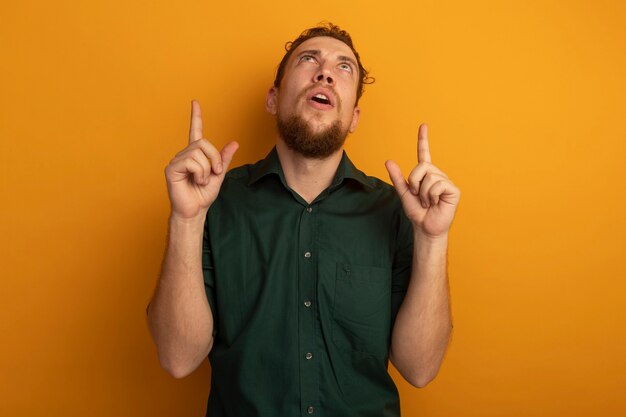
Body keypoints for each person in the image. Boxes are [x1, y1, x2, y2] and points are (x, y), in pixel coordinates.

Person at [147, 23, 460, 417]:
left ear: (354, 118)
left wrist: (433, 239)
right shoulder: (215, 202)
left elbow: (420, 369)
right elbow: (178, 359)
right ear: (273, 99)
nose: (325, 72)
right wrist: (186, 219)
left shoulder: (397, 210)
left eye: (344, 67)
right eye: (309, 59)